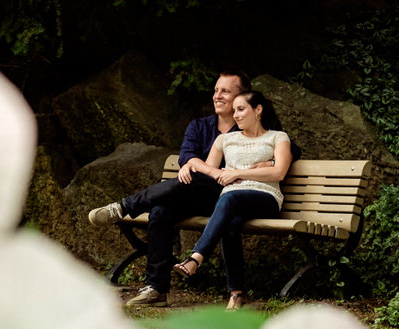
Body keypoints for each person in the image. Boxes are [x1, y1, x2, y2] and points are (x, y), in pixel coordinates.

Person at [88, 70, 263, 307]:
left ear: (243, 96)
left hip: (233, 199)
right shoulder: (199, 126)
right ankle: (156, 289)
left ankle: (124, 206)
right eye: (215, 90)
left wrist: (269, 162)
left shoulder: (252, 122)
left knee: (199, 177)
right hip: (196, 196)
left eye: (225, 91)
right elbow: (187, 155)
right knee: (161, 211)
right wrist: (197, 166)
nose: (217, 96)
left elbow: (288, 146)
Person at [171, 90, 291, 310]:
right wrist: (190, 164)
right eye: (234, 110)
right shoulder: (225, 139)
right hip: (232, 201)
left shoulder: (277, 137)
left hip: (266, 199)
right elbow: (208, 170)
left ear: (258, 110)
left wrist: (239, 174)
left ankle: (195, 258)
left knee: (230, 197)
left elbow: (279, 173)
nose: (235, 115)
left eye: (241, 109)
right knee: (231, 222)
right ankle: (236, 294)